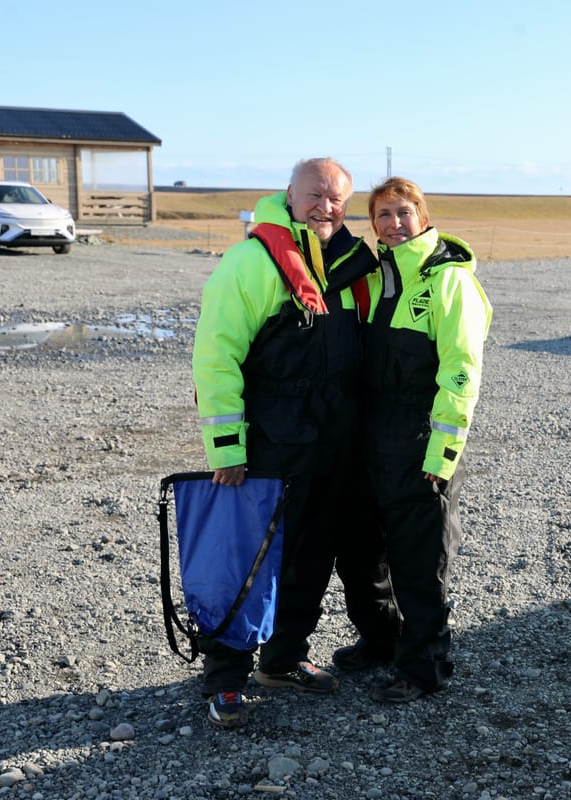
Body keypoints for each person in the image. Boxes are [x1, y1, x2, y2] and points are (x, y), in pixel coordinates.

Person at [191, 157, 377, 728]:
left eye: (337, 198)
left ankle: (284, 658)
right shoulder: (250, 262)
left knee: (312, 556)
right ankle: (224, 677)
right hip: (270, 447)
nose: (326, 206)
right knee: (250, 561)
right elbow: (216, 357)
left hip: (332, 446)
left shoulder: (353, 263)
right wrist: (227, 448)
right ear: (289, 194)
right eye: (315, 194)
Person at [334, 176, 493, 703]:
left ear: (422, 216)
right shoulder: (375, 276)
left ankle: (423, 666)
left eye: (404, 212)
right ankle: (381, 640)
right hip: (368, 441)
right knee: (358, 554)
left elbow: (461, 371)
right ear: (373, 224)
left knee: (418, 561)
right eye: (383, 214)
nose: (394, 223)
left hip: (419, 442)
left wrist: (443, 453)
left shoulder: (449, 282)